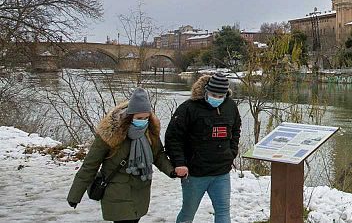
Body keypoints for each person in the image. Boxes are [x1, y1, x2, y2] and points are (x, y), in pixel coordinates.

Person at [67, 88, 177, 223]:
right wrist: (75, 195)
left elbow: (158, 155)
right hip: (117, 191)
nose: (143, 121)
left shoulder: (149, 131)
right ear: (129, 116)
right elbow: (90, 165)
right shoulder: (111, 134)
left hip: (140, 191)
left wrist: (171, 171)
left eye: (146, 118)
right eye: (139, 118)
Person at [165, 72, 241, 223]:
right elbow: (173, 137)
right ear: (206, 90)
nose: (217, 99)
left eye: (221, 96)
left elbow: (236, 130)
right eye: (213, 95)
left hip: (221, 172)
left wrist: (231, 152)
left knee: (223, 212)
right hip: (195, 173)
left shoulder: (231, 106)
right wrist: (179, 163)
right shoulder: (188, 108)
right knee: (188, 213)